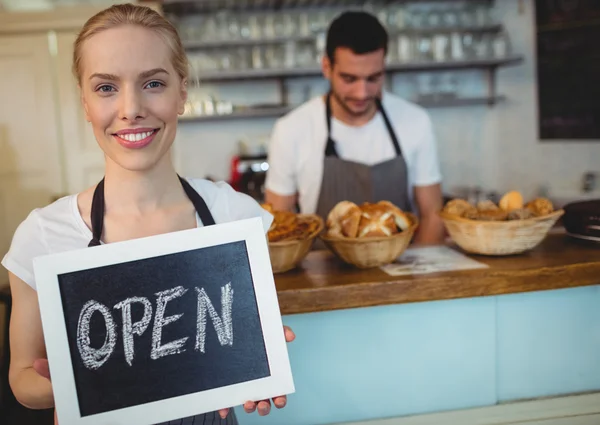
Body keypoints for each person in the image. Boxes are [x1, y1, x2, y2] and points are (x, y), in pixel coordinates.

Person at [1, 4, 294, 425]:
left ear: (182, 93)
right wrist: (80, 390)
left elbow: (245, 341)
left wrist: (260, 363)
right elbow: (21, 377)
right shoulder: (44, 235)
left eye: (153, 83)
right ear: (84, 102)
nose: (131, 108)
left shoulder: (234, 215)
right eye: (106, 88)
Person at [264, 11, 445, 245]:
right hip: (321, 274)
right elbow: (277, 227)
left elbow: (432, 215)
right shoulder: (291, 130)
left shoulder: (415, 121)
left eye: (374, 78)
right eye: (349, 79)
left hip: (401, 270)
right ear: (326, 67)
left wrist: (419, 277)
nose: (362, 92)